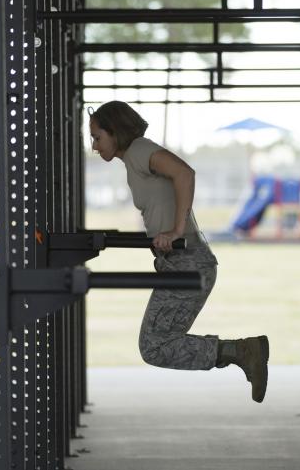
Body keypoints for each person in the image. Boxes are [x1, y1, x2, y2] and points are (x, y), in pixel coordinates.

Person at [88, 100, 269, 403]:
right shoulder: (133, 159)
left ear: (115, 132)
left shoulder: (139, 150)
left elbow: (184, 173)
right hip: (180, 261)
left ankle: (242, 351)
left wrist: (175, 230)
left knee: (154, 346)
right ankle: (241, 351)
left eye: (97, 137)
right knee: (155, 344)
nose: (94, 146)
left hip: (188, 261)